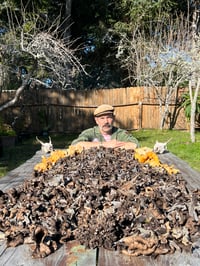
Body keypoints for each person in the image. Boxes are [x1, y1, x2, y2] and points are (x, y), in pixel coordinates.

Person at [71, 104, 139, 149]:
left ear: (113, 118)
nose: (106, 121)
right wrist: (105, 145)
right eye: (102, 118)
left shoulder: (121, 133)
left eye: (109, 117)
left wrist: (115, 146)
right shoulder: (89, 133)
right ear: (96, 120)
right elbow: (75, 145)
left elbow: (135, 145)